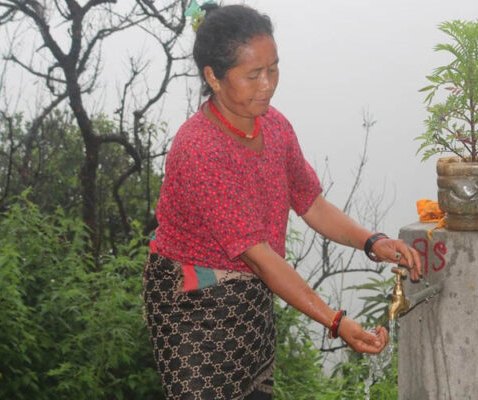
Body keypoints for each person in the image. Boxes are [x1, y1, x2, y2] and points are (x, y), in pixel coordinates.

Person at [143, 3, 422, 399]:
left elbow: (311, 204)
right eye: (253, 75)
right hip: (194, 307)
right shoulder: (200, 149)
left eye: (273, 69)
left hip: (250, 298)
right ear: (214, 77)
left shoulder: (274, 126)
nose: (268, 85)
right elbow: (259, 257)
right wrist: (335, 321)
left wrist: (373, 242)